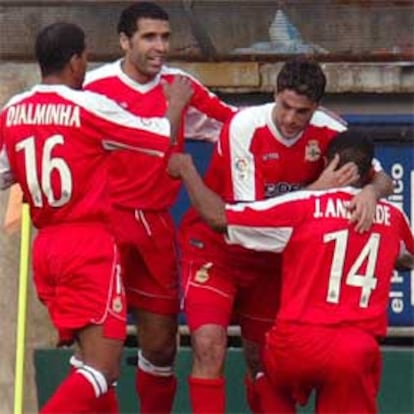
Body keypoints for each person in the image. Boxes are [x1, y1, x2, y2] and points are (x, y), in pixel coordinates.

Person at [177, 56, 394, 413]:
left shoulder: (329, 129)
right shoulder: (244, 126)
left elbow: (380, 176)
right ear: (275, 94)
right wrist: (317, 190)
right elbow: (249, 220)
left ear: (317, 108)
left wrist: (370, 192)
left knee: (260, 362)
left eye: (302, 112)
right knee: (208, 344)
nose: (291, 119)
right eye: (285, 106)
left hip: (274, 260)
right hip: (218, 244)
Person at [0, 22, 192, 413]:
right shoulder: (87, 105)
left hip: (47, 246)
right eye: (85, 55)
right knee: (104, 368)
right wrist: (174, 106)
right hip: (87, 245)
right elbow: (157, 138)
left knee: (89, 359)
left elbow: (6, 172)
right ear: (75, 61)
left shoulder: (13, 111)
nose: (87, 63)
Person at [83, 2, 236, 412]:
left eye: (165, 37)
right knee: (102, 351)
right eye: (149, 37)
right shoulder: (91, 89)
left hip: (155, 226)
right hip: (105, 226)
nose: (160, 46)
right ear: (123, 42)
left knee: (162, 346)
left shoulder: (180, 84)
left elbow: (237, 125)